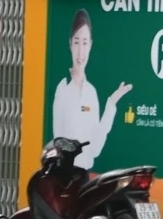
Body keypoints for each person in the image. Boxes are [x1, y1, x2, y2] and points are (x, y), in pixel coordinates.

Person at [51, 9, 131, 171]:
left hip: (85, 175)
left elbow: (94, 149)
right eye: (77, 42)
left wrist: (111, 104)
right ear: (70, 44)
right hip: (64, 174)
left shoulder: (91, 93)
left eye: (85, 43)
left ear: (91, 45)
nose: (81, 51)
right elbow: (58, 141)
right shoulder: (62, 88)